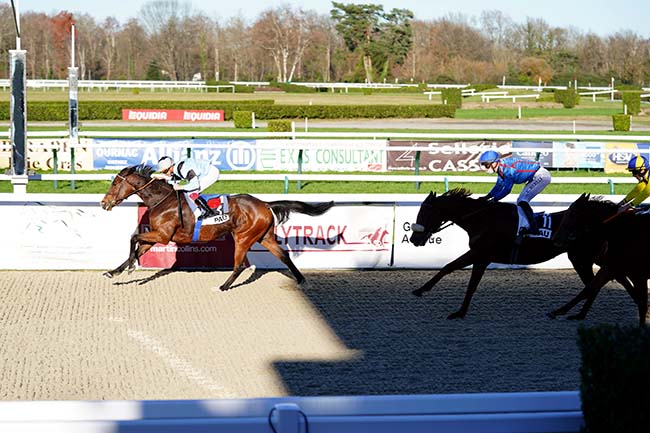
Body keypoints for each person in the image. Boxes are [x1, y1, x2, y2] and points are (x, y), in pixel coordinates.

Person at [478, 150, 552, 236]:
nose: (485, 168)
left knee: (522, 200)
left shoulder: (507, 170)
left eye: (486, 165)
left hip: (541, 176)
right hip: (536, 175)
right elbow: (498, 185)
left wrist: (494, 199)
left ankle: (533, 228)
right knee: (521, 200)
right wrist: (487, 196)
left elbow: (507, 190)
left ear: (494, 163)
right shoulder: (501, 167)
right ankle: (530, 223)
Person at [152, 156, 221, 219]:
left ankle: (209, 212)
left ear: (171, 167)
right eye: (163, 172)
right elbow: (177, 177)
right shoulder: (178, 168)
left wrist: (181, 187)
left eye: (165, 171)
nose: (165, 173)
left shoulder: (184, 169)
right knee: (189, 193)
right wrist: (163, 177)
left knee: (192, 193)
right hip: (205, 172)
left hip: (210, 173)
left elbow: (195, 185)